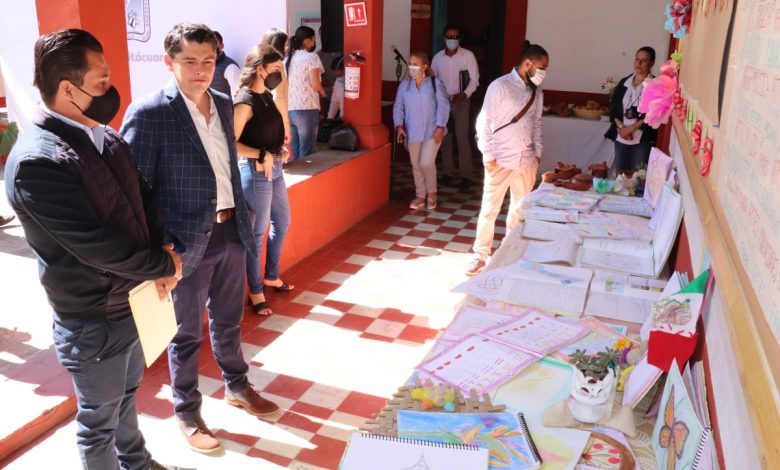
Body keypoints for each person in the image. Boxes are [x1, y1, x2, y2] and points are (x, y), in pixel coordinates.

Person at [4, 29, 183, 469]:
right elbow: (95, 246)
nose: (110, 89)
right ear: (69, 89)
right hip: (94, 319)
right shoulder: (37, 162)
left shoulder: (104, 136)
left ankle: (137, 463)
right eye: (102, 82)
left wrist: (162, 248)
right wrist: (161, 264)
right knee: (98, 424)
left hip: (132, 301)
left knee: (125, 398)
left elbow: (142, 197)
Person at [120, 23, 280, 455]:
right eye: (189, 60)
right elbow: (135, 190)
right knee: (186, 333)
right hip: (182, 243)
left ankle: (237, 385)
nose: (201, 69)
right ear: (168, 61)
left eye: (208, 61)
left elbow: (227, 165)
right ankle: (188, 413)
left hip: (230, 230)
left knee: (229, 321)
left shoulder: (225, 103)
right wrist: (158, 250)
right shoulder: (150, 112)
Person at [467, 41, 549, 276]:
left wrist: (537, 154)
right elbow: (484, 121)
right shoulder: (500, 86)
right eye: (542, 67)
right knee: (489, 209)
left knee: (519, 211)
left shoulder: (537, 92)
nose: (544, 73)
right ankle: (480, 255)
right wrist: (488, 156)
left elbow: (537, 124)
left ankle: (510, 253)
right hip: (500, 159)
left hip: (526, 160)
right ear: (528, 64)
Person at [234, 44, 295, 317]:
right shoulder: (244, 101)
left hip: (275, 167)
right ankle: (256, 291)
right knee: (256, 235)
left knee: (282, 222)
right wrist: (260, 154)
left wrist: (278, 150)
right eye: (276, 68)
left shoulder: (267, 96)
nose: (279, 72)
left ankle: (271, 275)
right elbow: (230, 143)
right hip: (256, 170)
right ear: (260, 68)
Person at [393, 51, 450, 210]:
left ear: (425, 66)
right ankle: (420, 195)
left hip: (432, 131)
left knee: (426, 162)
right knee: (416, 164)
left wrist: (441, 127)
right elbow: (398, 107)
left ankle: (432, 193)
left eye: (415, 64)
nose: (412, 67)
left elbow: (443, 106)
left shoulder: (435, 83)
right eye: (410, 64)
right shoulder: (404, 86)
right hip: (412, 132)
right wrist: (399, 126)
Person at [431, 24, 480, 190]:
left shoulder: (468, 56)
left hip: (462, 100)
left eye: (455, 37)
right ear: (444, 38)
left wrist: (464, 94)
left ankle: (466, 175)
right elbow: (433, 80)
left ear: (460, 39)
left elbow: (474, 80)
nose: (452, 40)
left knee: (461, 136)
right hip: (443, 102)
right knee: (445, 137)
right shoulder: (437, 58)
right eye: (449, 37)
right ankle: (448, 172)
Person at [604, 47, 658, 175]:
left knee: (638, 177)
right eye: (637, 59)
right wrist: (622, 128)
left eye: (644, 61)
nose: (639, 63)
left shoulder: (655, 85)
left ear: (651, 63)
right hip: (622, 136)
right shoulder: (624, 82)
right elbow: (614, 109)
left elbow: (652, 114)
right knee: (620, 177)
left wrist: (631, 129)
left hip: (641, 140)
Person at [286, 26, 325, 159]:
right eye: (313, 39)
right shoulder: (311, 57)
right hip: (306, 108)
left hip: (290, 110)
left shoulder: (288, 59)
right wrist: (323, 91)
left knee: (295, 153)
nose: (314, 42)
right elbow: (315, 84)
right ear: (307, 41)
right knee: (307, 154)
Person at [260, 28, 291, 142]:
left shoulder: (259, 62)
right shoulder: (278, 65)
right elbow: (279, 97)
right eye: (285, 44)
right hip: (275, 121)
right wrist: (286, 126)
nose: (287, 48)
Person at [209, 31, 240, 96]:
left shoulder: (231, 67)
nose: (211, 47)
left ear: (222, 45)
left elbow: (238, 96)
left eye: (215, 43)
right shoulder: (204, 65)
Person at [326, 56, 345, 120]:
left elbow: (341, 101)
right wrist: (330, 117)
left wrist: (342, 115)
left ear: (343, 69)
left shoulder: (346, 82)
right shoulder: (337, 81)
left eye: (335, 70)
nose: (333, 73)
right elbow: (334, 101)